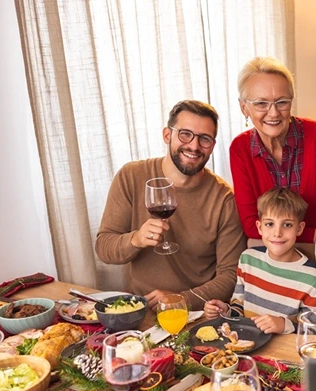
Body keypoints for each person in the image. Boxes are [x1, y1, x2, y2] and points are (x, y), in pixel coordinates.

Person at [96, 100, 245, 310]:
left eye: (205, 139)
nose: (194, 146)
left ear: (212, 145)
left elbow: (231, 276)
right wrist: (136, 239)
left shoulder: (223, 198)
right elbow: (104, 248)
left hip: (197, 314)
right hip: (141, 309)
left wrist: (181, 300)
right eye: (185, 134)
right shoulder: (131, 176)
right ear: (168, 135)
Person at [230, 56, 316, 244]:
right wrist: (314, 234)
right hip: (276, 253)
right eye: (261, 103)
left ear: (291, 102)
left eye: (281, 102)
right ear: (244, 107)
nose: (273, 112)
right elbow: (252, 224)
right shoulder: (240, 148)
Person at [203, 187, 316, 334]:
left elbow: (315, 332)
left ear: (299, 228)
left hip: (283, 353)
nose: (277, 233)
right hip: (247, 344)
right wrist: (225, 310)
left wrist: (284, 325)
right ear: (259, 227)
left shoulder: (312, 277)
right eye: (269, 224)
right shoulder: (247, 260)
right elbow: (239, 309)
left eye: (287, 225)